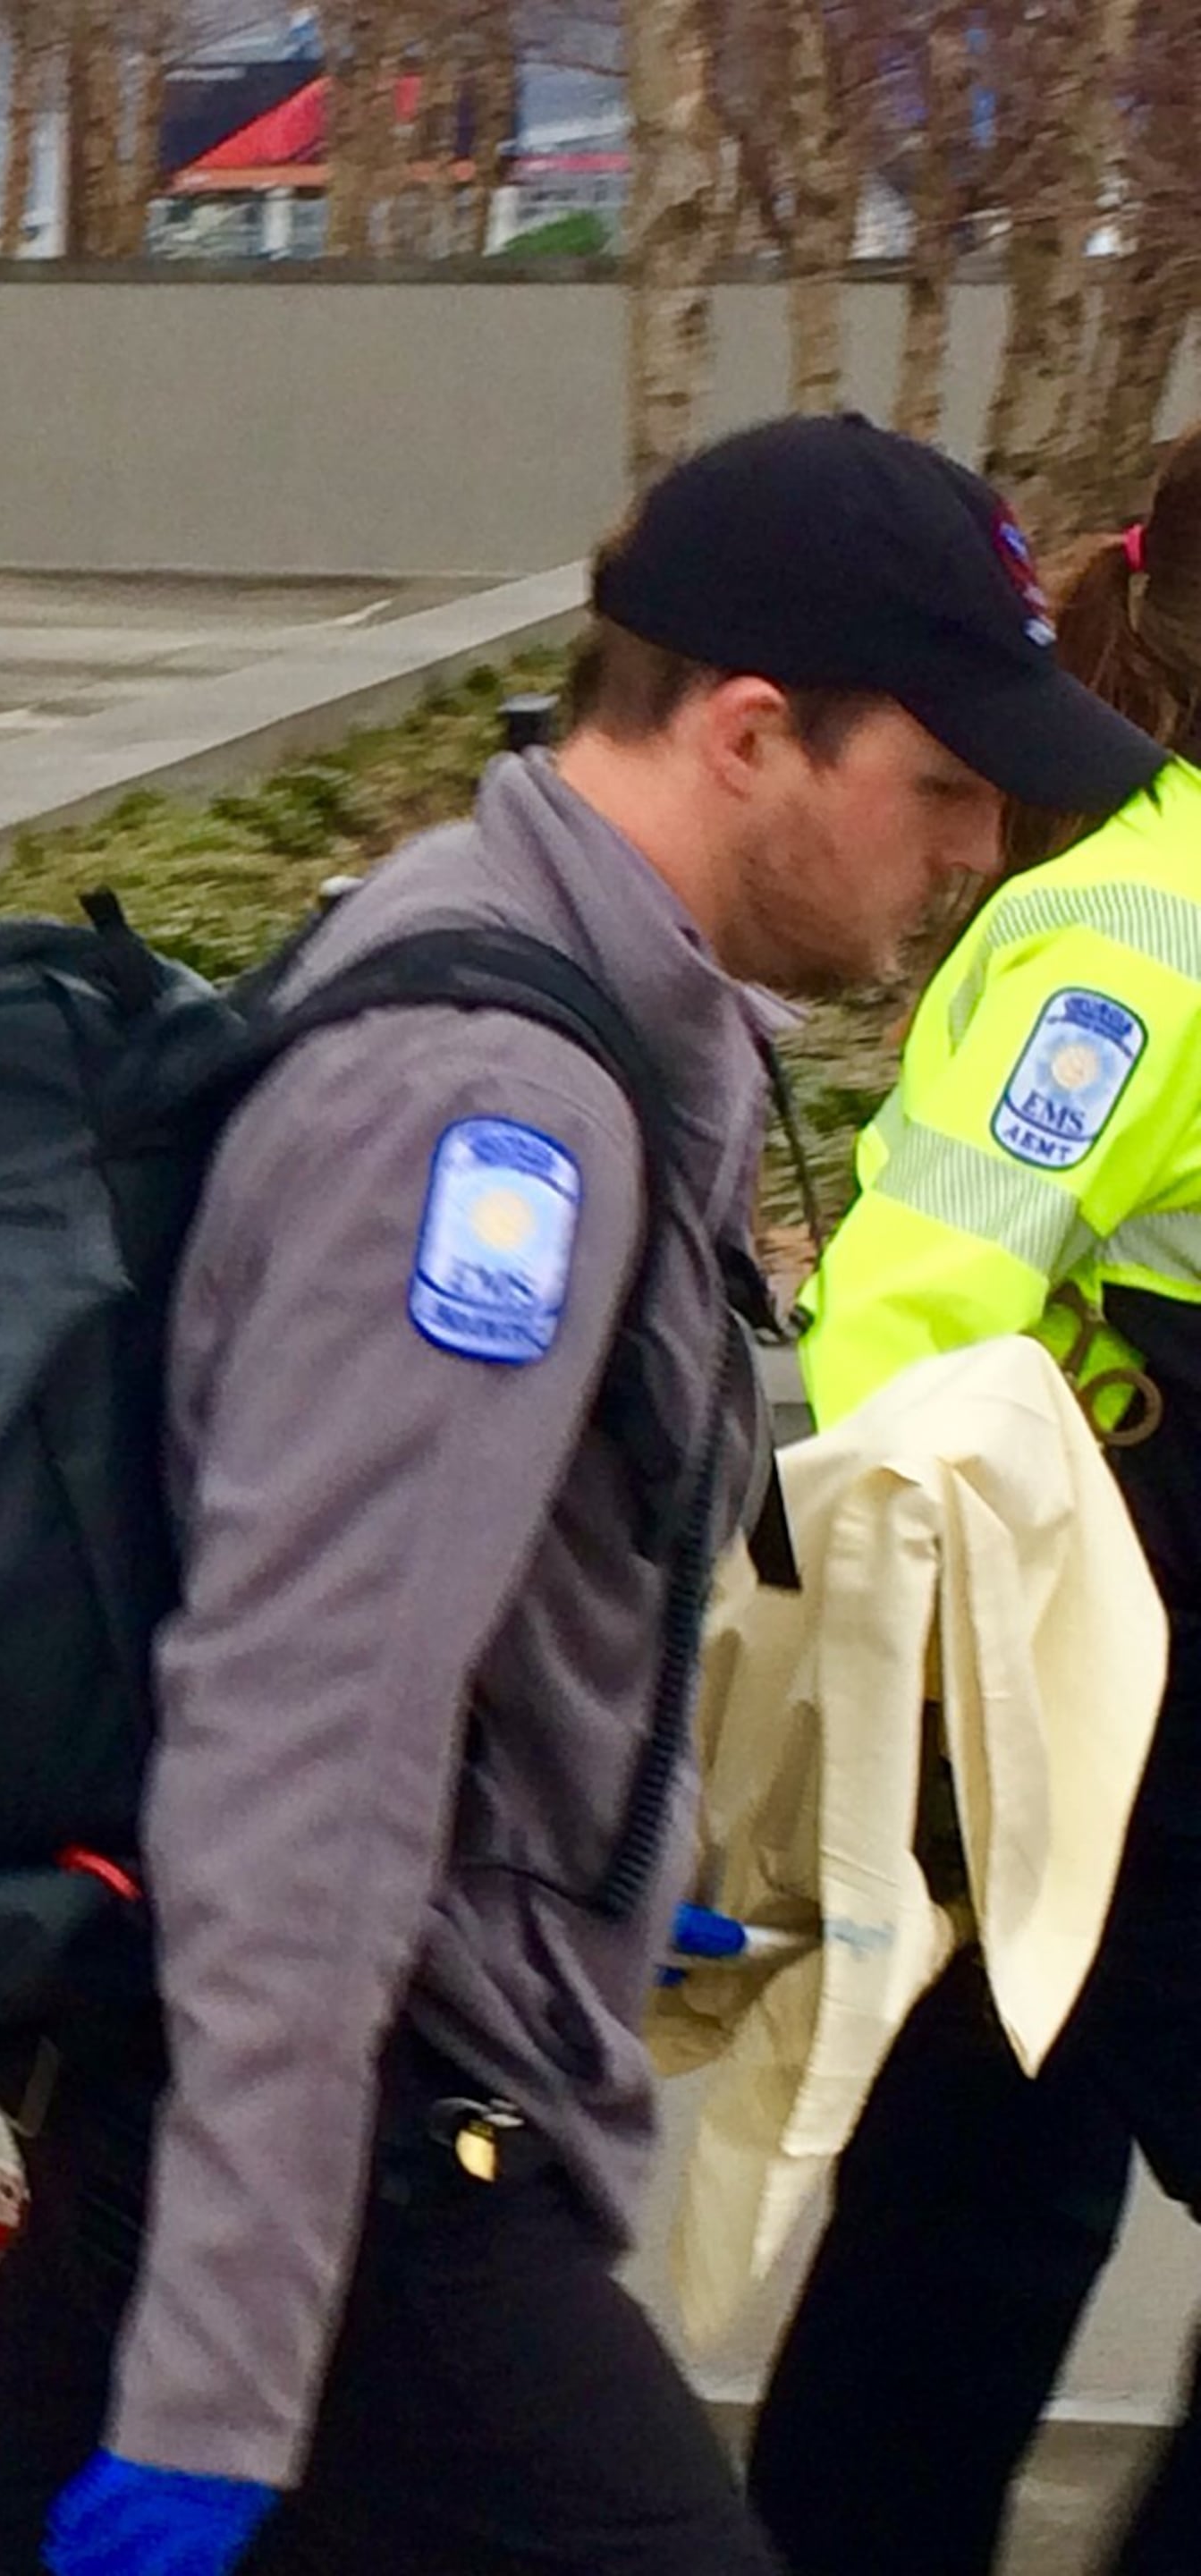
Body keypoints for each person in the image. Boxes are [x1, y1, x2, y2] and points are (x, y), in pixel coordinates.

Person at [0, 415, 1165, 2576]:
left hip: (307, 2100)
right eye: (942, 785)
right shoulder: (492, 1117)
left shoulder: (581, 1009)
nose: (976, 849)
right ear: (753, 734)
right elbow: (305, 1727)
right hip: (365, 2151)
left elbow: (507, 1592)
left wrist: (608, 1854)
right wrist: (221, 2384)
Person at [748, 425, 1201, 2576]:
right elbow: (910, 1319)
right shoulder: (1136, 940)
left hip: (1103, 1676)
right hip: (1096, 1675)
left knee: (978, 2202)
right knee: (974, 2208)